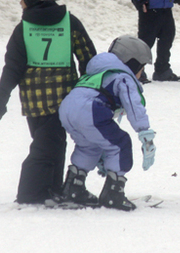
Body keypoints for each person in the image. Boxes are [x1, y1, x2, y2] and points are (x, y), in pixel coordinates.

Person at [0, 0, 97, 204]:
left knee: (47, 145)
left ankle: (41, 190)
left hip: (34, 104)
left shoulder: (23, 29)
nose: (20, 0)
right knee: (51, 146)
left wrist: (0, 101)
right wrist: (88, 92)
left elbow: (11, 69)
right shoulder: (70, 23)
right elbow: (89, 59)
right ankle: (40, 190)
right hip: (66, 102)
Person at [53, 36, 156, 211]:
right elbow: (133, 105)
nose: (141, 74)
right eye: (142, 67)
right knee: (120, 144)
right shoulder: (123, 77)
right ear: (133, 62)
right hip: (91, 111)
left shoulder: (98, 72)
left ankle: (73, 187)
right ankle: (113, 194)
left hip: (67, 109)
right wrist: (144, 131)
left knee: (88, 147)